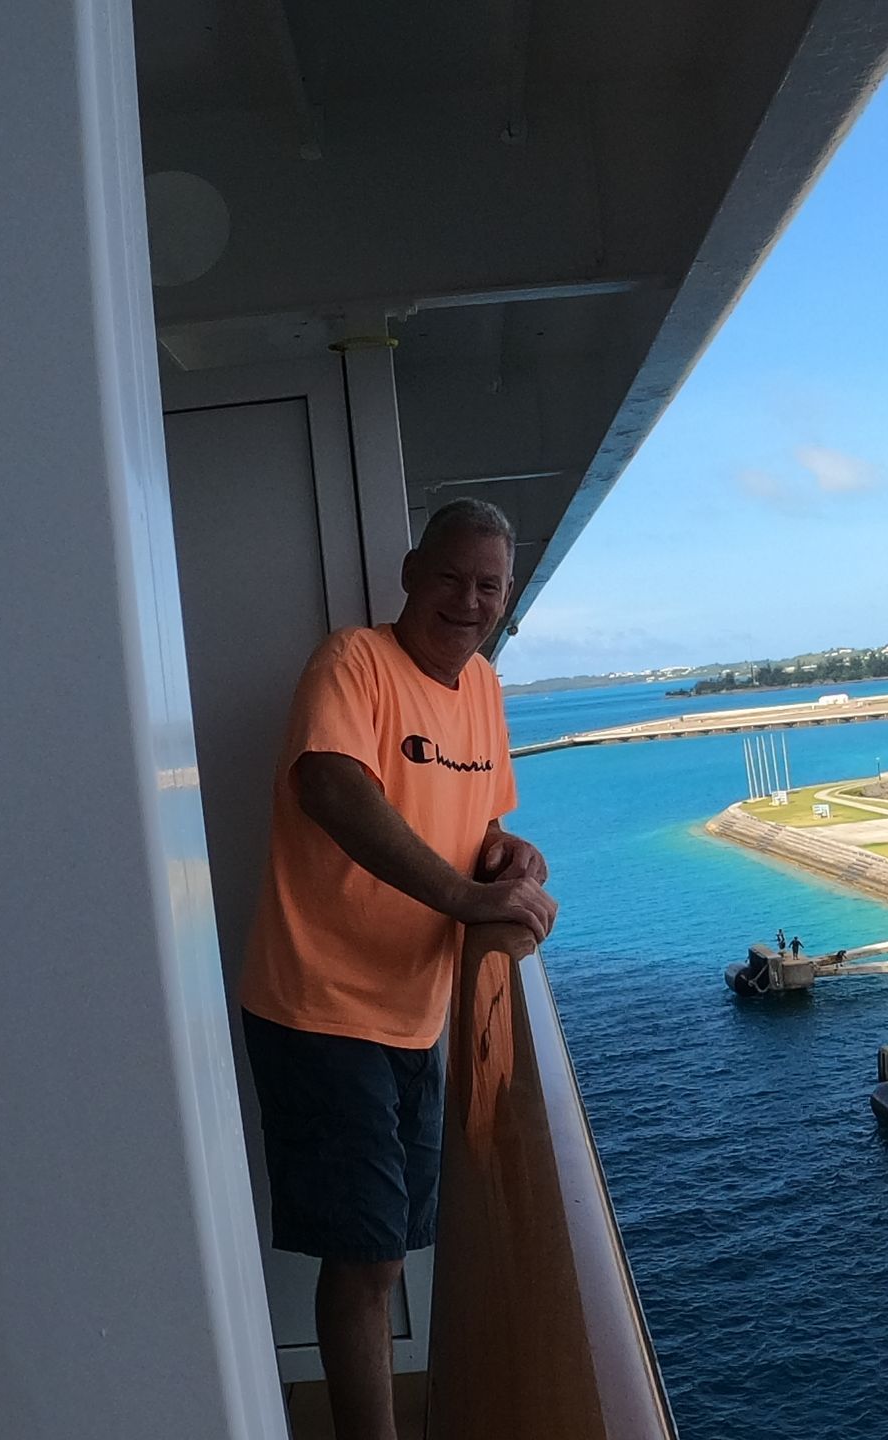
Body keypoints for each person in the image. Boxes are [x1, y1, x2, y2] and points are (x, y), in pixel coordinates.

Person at [238, 497, 556, 1440]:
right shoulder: (353, 661)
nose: (467, 599)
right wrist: (466, 903)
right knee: (369, 1258)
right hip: (320, 1002)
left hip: (417, 1010)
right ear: (413, 573)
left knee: (386, 1250)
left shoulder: (484, 689)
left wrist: (508, 857)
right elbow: (332, 786)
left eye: (488, 585)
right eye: (451, 576)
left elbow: (478, 820)